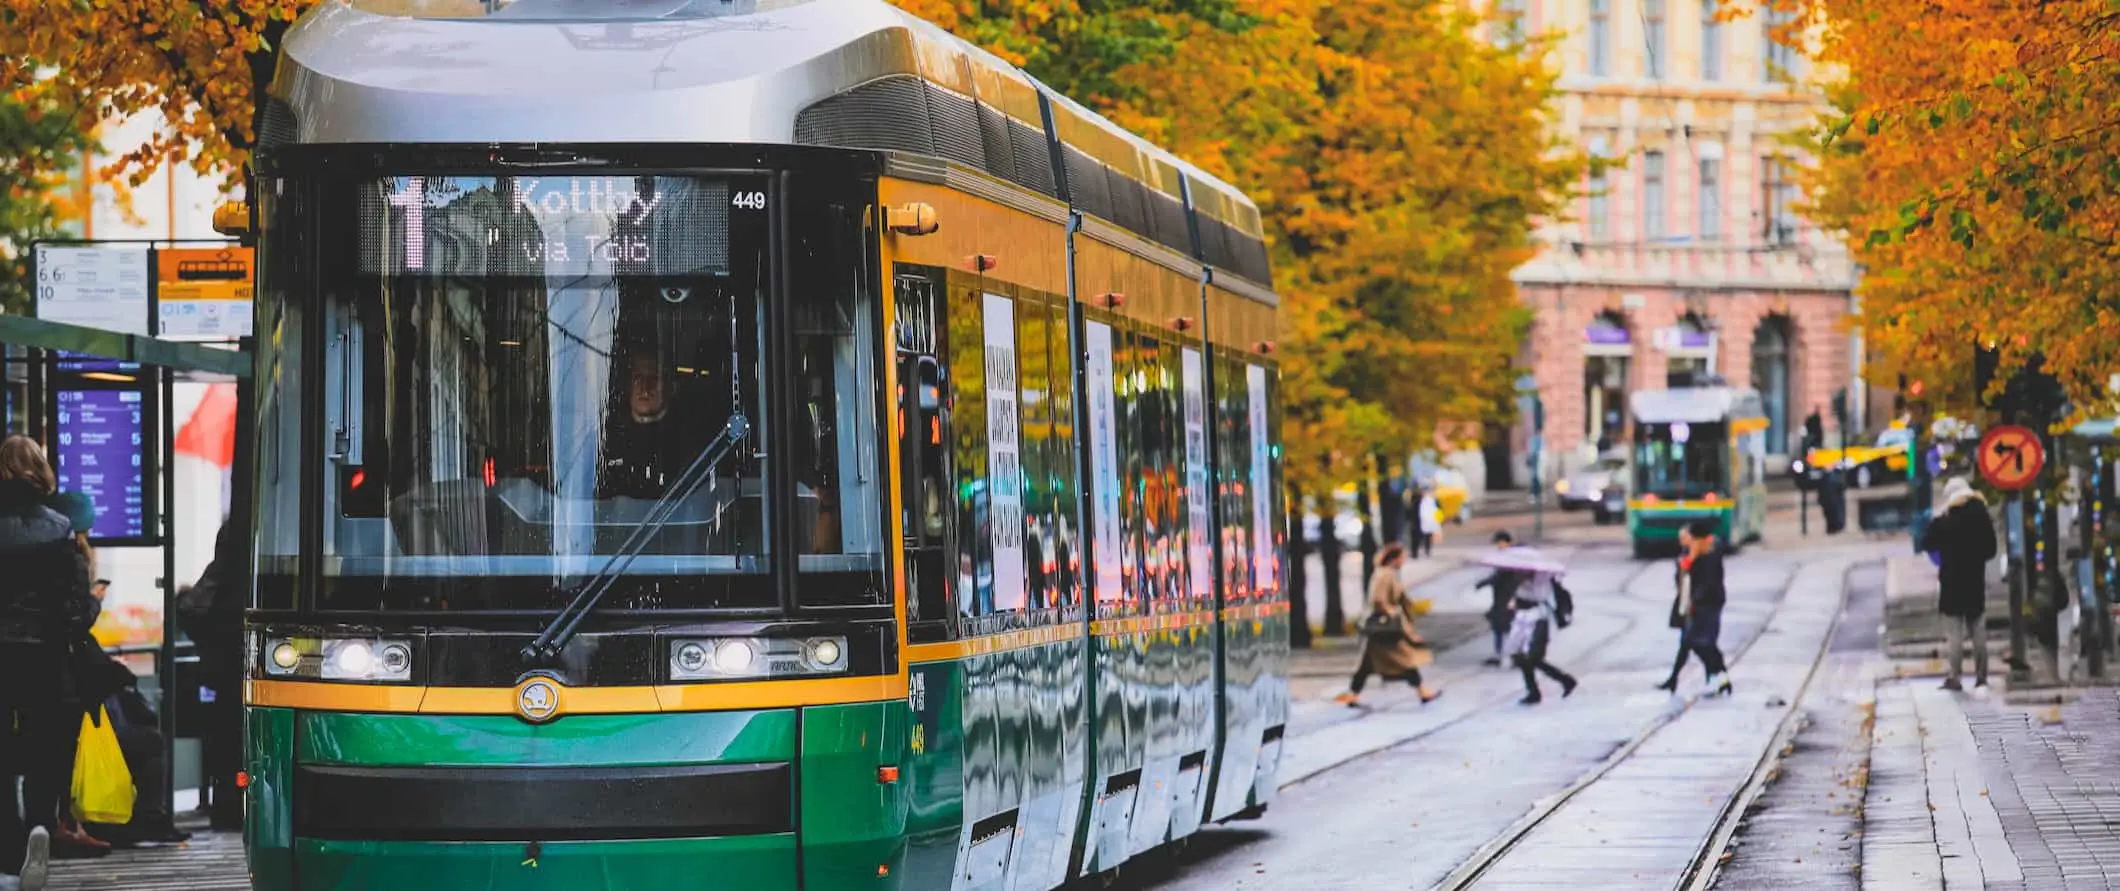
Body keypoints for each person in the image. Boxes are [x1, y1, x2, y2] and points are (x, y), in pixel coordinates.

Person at [0, 435, 100, 891]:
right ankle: (41, 824)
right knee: (45, 746)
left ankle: (6, 847)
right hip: (44, 656)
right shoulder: (60, 528)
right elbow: (77, 608)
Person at [1334, 544, 1440, 707]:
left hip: (1380, 630)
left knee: (1366, 665)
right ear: (1394, 558)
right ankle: (1422, 691)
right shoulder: (1385, 575)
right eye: (1401, 557)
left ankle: (1353, 695)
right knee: (1405, 660)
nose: (1403, 561)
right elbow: (1379, 599)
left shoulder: (1387, 574)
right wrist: (1392, 613)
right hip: (1385, 628)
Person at [1918, 477, 1997, 690]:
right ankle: (1982, 677)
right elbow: (1991, 550)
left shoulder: (1946, 520)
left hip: (1952, 583)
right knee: (1978, 632)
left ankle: (1955, 676)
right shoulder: (1982, 517)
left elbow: (1926, 542)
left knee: (1954, 635)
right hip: (1974, 581)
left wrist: (1935, 522)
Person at [1505, 569, 1578, 705]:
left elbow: (1538, 597)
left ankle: (1564, 680)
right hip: (1522, 619)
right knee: (1521, 657)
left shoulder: (1542, 582)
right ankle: (1534, 692)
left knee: (1533, 658)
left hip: (1538, 620)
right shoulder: (1519, 580)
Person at [1681, 519, 1733, 697]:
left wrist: (1696, 601)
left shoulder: (1710, 553)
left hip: (1708, 603)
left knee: (1702, 642)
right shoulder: (1699, 553)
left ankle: (1717, 676)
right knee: (1701, 643)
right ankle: (1719, 676)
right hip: (1703, 603)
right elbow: (1684, 571)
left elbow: (1705, 581)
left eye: (1691, 538)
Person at [1656, 527, 1699, 692]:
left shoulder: (1696, 555)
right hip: (1685, 603)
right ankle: (1674, 678)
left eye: (1684, 537)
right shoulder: (1684, 554)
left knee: (1694, 644)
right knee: (1688, 644)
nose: (1681, 540)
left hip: (1693, 604)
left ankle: (1718, 675)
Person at [1476, 530, 1525, 667]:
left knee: (1511, 626)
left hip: (1508, 596)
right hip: (1500, 596)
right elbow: (1498, 576)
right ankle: (1499, 653)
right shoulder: (1504, 557)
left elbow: (1507, 577)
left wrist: (1514, 597)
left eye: (1500, 543)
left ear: (1506, 542)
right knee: (1498, 625)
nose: (1498, 546)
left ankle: (1517, 654)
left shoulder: (1514, 558)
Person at [1414, 487, 1441, 558]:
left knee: (1428, 536)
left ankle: (1427, 549)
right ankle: (1425, 549)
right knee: (1426, 536)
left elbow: (1436, 510)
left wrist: (1437, 520)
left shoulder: (1432, 501)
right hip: (1425, 521)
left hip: (1429, 521)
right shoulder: (1423, 501)